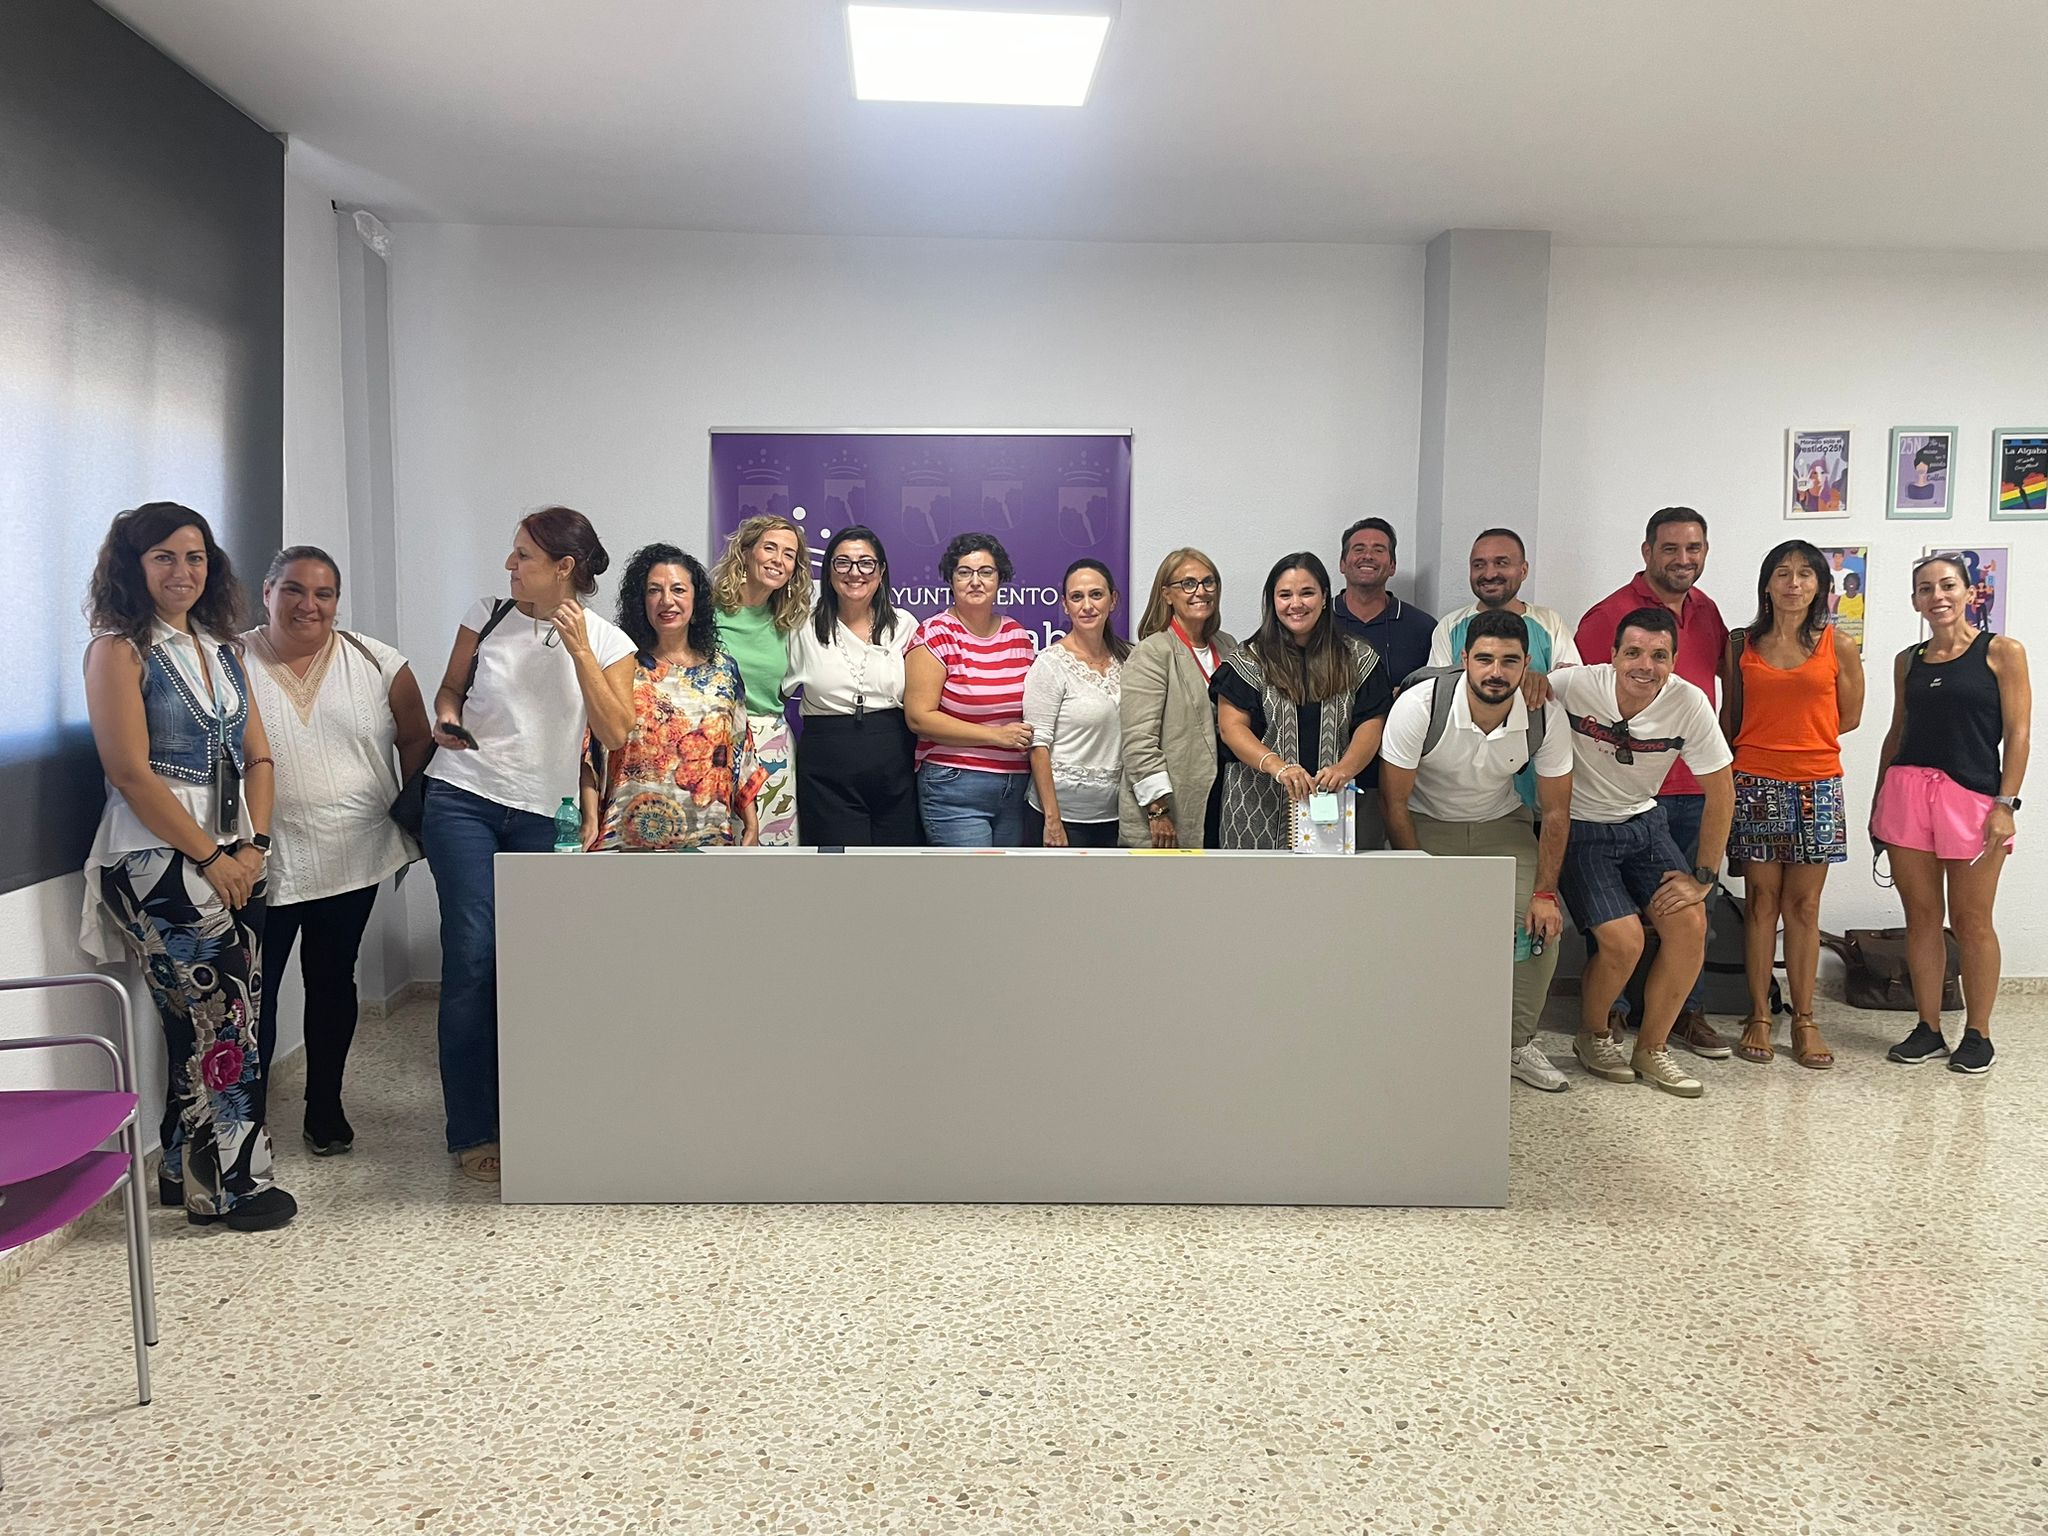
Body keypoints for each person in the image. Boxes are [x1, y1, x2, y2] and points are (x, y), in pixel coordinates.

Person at [79, 503, 296, 1230]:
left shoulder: (224, 649)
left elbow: (259, 757)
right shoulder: (119, 651)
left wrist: (252, 848)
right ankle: (240, 1184)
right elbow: (129, 772)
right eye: (164, 557)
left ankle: (183, 1171)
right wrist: (208, 856)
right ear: (133, 566)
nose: (183, 571)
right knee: (225, 1020)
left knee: (208, 1019)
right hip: (153, 857)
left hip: (237, 852)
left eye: (195, 556)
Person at [422, 507, 635, 1181]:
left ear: (563, 567)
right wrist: (447, 718)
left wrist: (578, 649)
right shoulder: (486, 614)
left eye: (524, 556)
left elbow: (616, 732)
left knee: (538, 967)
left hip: (545, 815)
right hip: (463, 796)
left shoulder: (608, 641)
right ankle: (474, 1128)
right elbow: (450, 690)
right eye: (513, 553)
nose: (510, 565)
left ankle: (540, 1116)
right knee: (472, 957)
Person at [242, 546, 432, 1155]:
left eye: (323, 594)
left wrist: (413, 818)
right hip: (259, 861)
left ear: (337, 602)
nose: (309, 605)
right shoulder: (230, 660)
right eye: (294, 590)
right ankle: (245, 1123)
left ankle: (324, 1106)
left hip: (352, 853)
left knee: (331, 981)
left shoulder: (378, 663)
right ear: (267, 592)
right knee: (255, 993)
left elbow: (416, 740)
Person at [1379, 610, 1575, 1092]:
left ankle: (1516, 1044)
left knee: (1539, 927)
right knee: (1413, 926)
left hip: (1501, 825)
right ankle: (1416, 1039)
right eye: (1484, 659)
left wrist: (1545, 894)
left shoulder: (1544, 714)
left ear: (1526, 664)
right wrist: (1416, 872)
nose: (1496, 672)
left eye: (1510, 661)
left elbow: (1555, 812)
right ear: (1464, 659)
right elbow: (1394, 802)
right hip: (1426, 824)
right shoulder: (1420, 706)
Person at [1550, 607, 1735, 1099]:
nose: (1644, 666)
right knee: (1623, 941)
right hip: (1582, 830)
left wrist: (1703, 876)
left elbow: (1722, 793)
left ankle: (1652, 1048)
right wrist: (1530, 680)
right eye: (1632, 652)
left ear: (1674, 661)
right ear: (1612, 656)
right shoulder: (1573, 685)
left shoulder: (1689, 704)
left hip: (1644, 826)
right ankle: (1593, 1035)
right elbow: (1523, 692)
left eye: (1658, 656)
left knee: (1691, 925)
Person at [1574, 507, 1731, 1058]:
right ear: (1647, 552)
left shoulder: (1707, 612)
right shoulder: (1607, 616)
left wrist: (1707, 875)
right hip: (1618, 793)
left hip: (1686, 789)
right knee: (1620, 927)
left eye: (1694, 548)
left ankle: (1678, 1021)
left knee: (1689, 915)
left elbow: (1717, 690)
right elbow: (1584, 694)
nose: (1683, 559)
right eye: (1670, 548)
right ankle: (1608, 1020)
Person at [1871, 554, 2032, 1075]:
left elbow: (2019, 734)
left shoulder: (2002, 651)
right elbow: (1897, 731)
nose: (1937, 596)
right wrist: (1878, 801)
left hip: (1974, 800)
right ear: (1914, 600)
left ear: (1968, 592)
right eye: (1925, 588)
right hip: (1906, 793)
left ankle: (1978, 1033)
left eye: (1947, 585)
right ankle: (1928, 1027)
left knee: (1971, 921)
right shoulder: (1908, 660)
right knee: (1921, 918)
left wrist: (2005, 805)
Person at [1722, 541, 1865, 1068]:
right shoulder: (1742, 644)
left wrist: (1801, 742)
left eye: (1806, 574)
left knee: (1803, 907)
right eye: (1782, 573)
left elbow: (1849, 716)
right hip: (1754, 781)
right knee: (1761, 902)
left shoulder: (1838, 644)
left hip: (1817, 785)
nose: (1794, 583)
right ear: (1767, 584)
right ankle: (1760, 1014)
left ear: (1820, 586)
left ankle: (1805, 1019)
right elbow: (1730, 715)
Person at [1212, 553, 1392, 850]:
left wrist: (1345, 768)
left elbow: (1371, 723)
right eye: (1285, 595)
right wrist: (1278, 767)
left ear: (1324, 598)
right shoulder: (1247, 660)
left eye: (1307, 593)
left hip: (1334, 805)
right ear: (1272, 601)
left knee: (1330, 879)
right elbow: (1232, 729)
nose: (1296, 603)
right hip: (1256, 809)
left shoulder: (1358, 657)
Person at [590, 544, 764, 850]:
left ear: (696, 599)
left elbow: (740, 749)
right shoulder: (620, 665)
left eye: (678, 589)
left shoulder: (724, 670)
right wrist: (590, 818)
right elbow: (590, 749)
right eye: (654, 590)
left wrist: (751, 822)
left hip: (709, 838)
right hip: (625, 840)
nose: (666, 601)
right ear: (641, 601)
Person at [784, 525, 918, 846]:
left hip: (894, 762)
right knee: (838, 870)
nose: (854, 573)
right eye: (842, 563)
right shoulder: (802, 626)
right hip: (827, 767)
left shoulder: (904, 625)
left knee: (897, 867)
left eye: (866, 563)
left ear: (881, 572)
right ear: (829, 571)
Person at [904, 533, 1037, 846]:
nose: (975, 581)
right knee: (974, 878)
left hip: (1014, 786)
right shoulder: (935, 634)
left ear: (999, 579)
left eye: (986, 572)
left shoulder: (1016, 634)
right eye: (964, 572)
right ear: (951, 580)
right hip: (955, 785)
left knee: (1006, 878)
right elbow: (919, 718)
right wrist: (996, 736)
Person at [1119, 548, 1237, 848]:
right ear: (1167, 595)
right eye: (1188, 584)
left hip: (1222, 799)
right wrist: (1158, 809)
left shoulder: (1228, 646)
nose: (1201, 591)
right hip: (1168, 808)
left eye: (1208, 582)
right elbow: (1139, 742)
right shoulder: (1152, 652)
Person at [1331, 517, 1436, 850]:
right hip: (1326, 772)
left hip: (1402, 776)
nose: (1368, 556)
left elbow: (1436, 695)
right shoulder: (1317, 621)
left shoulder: (1422, 627)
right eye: (1358, 549)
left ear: (1392, 565)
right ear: (1342, 563)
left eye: (1379, 550)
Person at [710, 513, 812, 846]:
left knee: (773, 855)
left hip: (771, 745)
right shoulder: (707, 611)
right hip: (715, 742)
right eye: (770, 548)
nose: (778, 560)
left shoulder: (791, 621)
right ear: (746, 551)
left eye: (789, 554)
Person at [1023, 558, 1129, 848]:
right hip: (1063, 819)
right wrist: (1052, 820)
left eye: (1096, 594)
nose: (1087, 606)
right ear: (1065, 605)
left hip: (1119, 816)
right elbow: (1038, 745)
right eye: (1077, 597)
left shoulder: (1130, 659)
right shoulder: (1050, 664)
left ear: (1113, 600)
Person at [1427, 528, 1582, 681]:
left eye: (1501, 563)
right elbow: (1436, 688)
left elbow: (1571, 685)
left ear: (1523, 570)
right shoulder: (1449, 627)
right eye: (1479, 565)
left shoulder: (1551, 623)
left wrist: (1540, 683)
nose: (1489, 574)